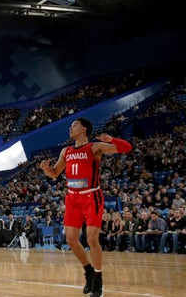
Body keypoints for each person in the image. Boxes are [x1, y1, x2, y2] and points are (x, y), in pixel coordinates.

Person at [40, 117, 132, 297]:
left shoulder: (94, 147)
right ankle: (88, 271)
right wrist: (46, 169)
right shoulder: (66, 151)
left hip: (91, 197)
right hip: (72, 198)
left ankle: (98, 278)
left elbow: (127, 148)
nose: (70, 128)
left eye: (74, 125)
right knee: (71, 240)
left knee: (91, 239)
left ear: (84, 129)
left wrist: (111, 140)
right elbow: (55, 173)